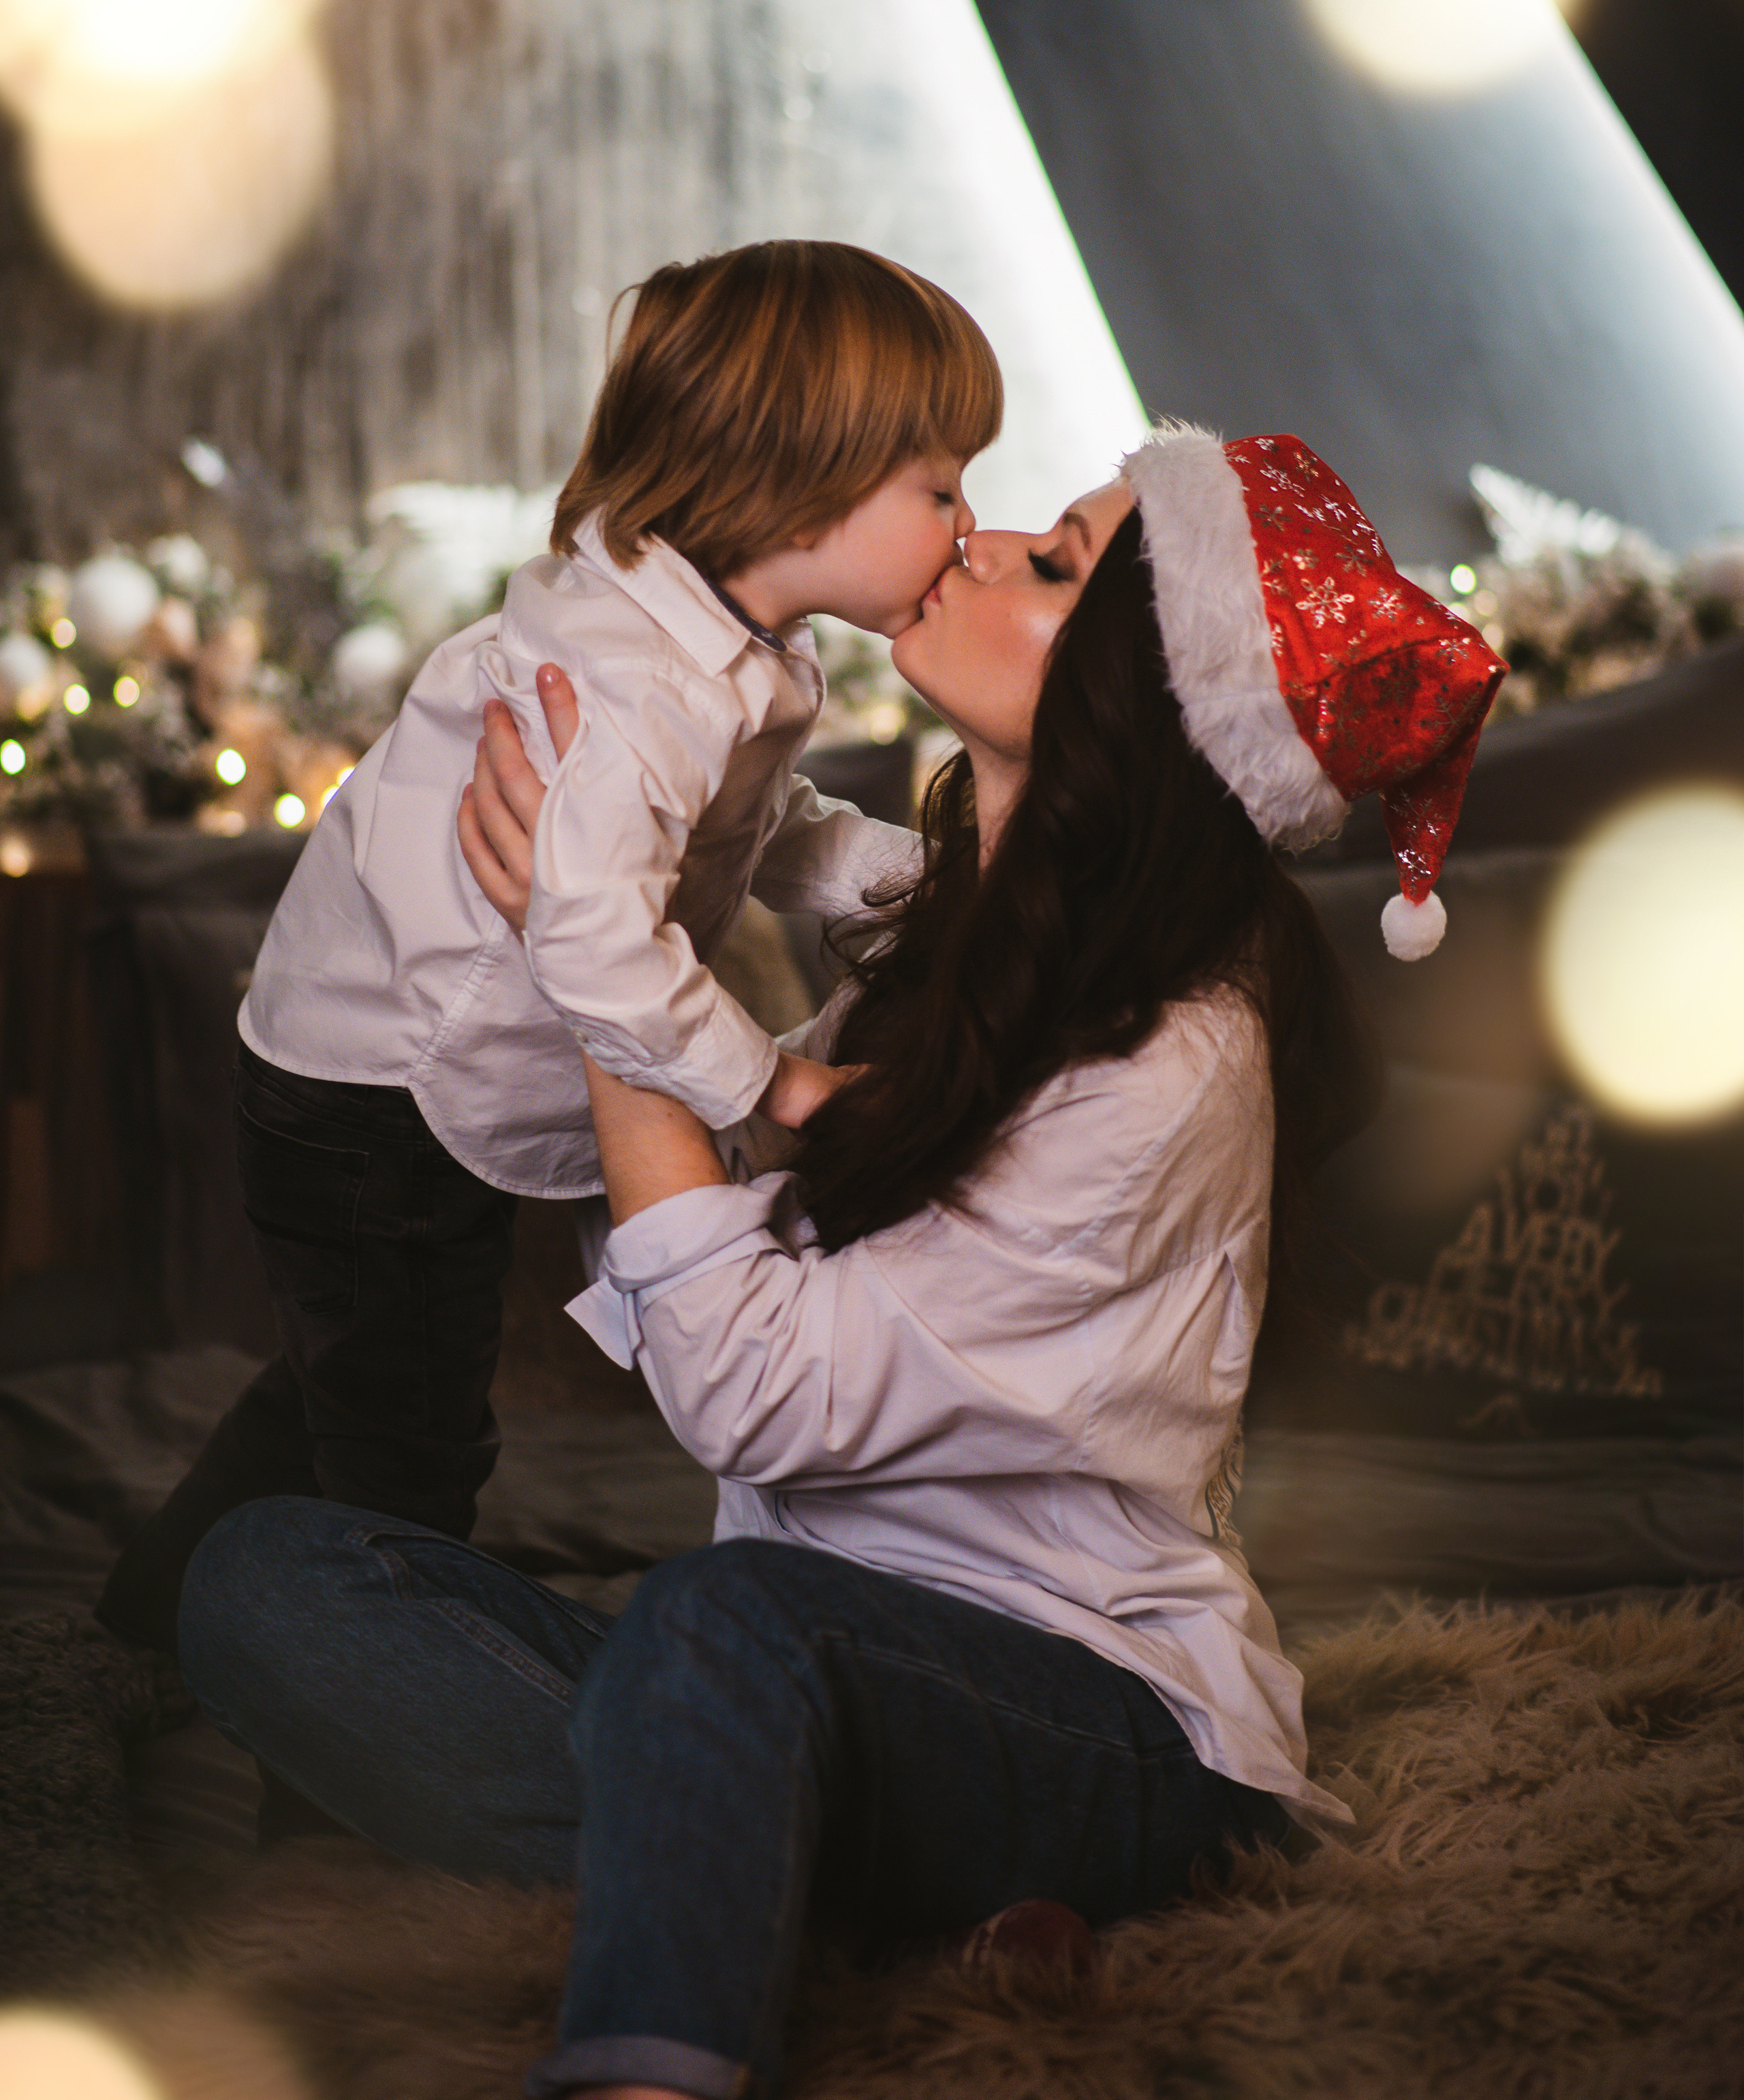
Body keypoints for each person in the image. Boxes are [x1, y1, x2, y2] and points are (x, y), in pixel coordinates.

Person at [176, 425, 1505, 2100]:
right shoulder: (940, 952)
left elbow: (741, 1383)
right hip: (809, 1670)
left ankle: (655, 2051)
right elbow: (713, 1212)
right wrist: (603, 934)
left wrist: (609, 977)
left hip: (1094, 1722)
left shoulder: (1170, 1059)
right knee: (267, 1578)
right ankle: (818, 1871)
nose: (988, 537)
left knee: (725, 1624)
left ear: (1159, 703)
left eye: (1059, 561)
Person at [98, 240, 1000, 1661]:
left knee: (349, 1376)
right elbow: (592, 932)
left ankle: (146, 1623)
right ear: (794, 478)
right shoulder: (633, 683)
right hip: (374, 1079)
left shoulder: (732, 640)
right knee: (407, 1456)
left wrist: (907, 876)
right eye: (938, 484)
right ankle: (326, 1791)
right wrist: (769, 1084)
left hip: (368, 1064)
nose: (965, 524)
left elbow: (746, 832)